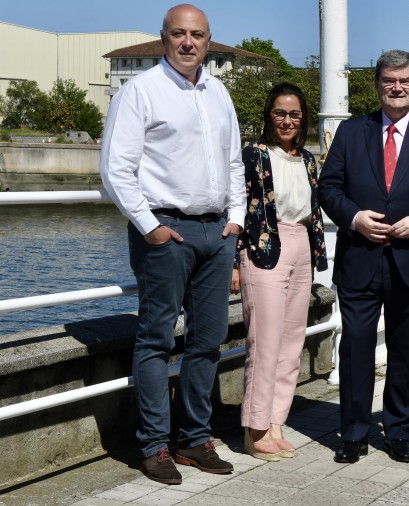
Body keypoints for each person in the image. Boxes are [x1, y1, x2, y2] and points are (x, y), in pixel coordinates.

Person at [99, 4, 242, 485]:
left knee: (207, 341)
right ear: (163, 38)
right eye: (178, 34)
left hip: (215, 232)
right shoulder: (141, 91)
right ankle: (155, 444)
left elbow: (234, 164)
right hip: (166, 232)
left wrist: (237, 220)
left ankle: (196, 439)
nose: (188, 42)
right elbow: (116, 169)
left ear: (208, 40)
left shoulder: (219, 92)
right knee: (157, 339)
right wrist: (150, 227)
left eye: (196, 35)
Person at [318, 49, 409, 465]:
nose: (397, 87)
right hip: (359, 260)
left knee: (405, 353)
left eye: (404, 81)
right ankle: (353, 432)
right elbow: (328, 188)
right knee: (355, 351)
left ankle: (399, 431)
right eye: (389, 80)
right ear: (377, 84)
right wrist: (354, 218)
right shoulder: (351, 132)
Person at [230, 83, 328, 461]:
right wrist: (235, 259)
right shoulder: (253, 154)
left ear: (302, 119)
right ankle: (253, 430)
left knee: (290, 343)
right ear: (269, 115)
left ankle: (275, 423)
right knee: (264, 343)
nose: (287, 120)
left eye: (295, 114)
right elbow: (236, 204)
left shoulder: (307, 159)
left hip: (301, 244)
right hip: (264, 249)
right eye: (280, 113)